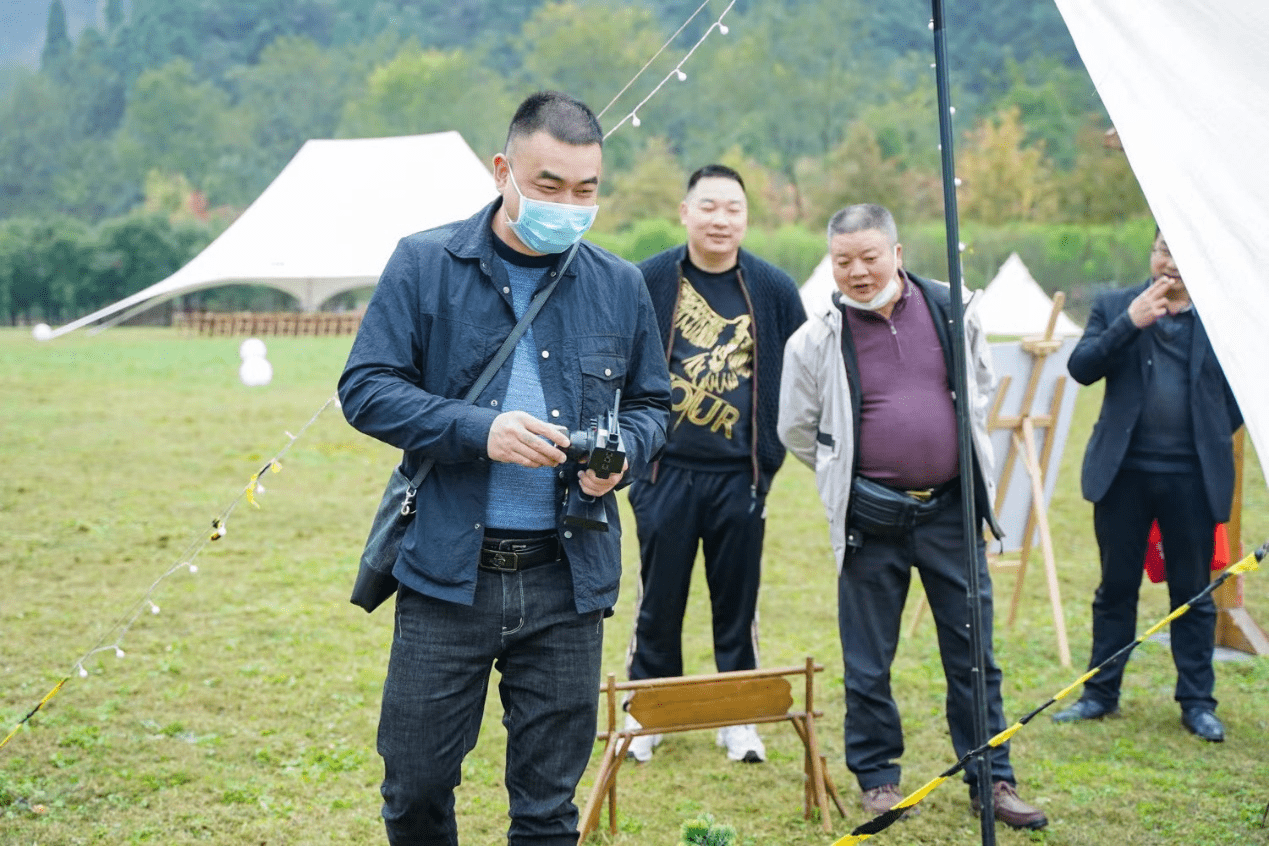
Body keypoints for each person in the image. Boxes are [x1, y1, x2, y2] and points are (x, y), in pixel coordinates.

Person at [338, 91, 671, 846]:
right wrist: (477, 430)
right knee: (415, 784)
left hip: (567, 574)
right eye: (549, 185)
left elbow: (653, 402)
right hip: (446, 573)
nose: (568, 204)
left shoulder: (617, 284)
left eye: (586, 190)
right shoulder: (425, 264)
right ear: (503, 170)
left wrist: (620, 455)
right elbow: (364, 389)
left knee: (548, 803)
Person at [777, 204, 1047, 830]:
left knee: (974, 649)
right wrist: (844, 474)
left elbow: (978, 385)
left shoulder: (953, 308)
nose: (858, 271)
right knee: (868, 658)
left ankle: (993, 778)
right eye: (843, 261)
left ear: (896, 253)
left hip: (952, 510)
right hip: (870, 520)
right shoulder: (816, 337)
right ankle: (877, 778)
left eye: (869, 257)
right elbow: (796, 427)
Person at [622, 164, 806, 764]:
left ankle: (738, 717)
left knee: (738, 600)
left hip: (740, 476)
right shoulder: (649, 279)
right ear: (685, 212)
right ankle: (651, 714)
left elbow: (801, 371)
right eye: (708, 206)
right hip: (663, 472)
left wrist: (773, 455)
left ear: (745, 217)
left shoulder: (773, 288)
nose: (720, 219)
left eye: (732, 208)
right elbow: (615, 361)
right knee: (659, 600)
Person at [1052, 229, 1241, 742]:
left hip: (1192, 477)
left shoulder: (1219, 314)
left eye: (1181, 251)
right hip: (1123, 474)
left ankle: (1198, 703)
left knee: (1193, 594)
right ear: (1151, 255)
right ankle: (1099, 694)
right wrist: (1130, 324)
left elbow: (1241, 394)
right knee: (1114, 589)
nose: (1170, 263)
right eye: (1162, 250)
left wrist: (1207, 432)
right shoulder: (1117, 305)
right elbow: (1082, 368)